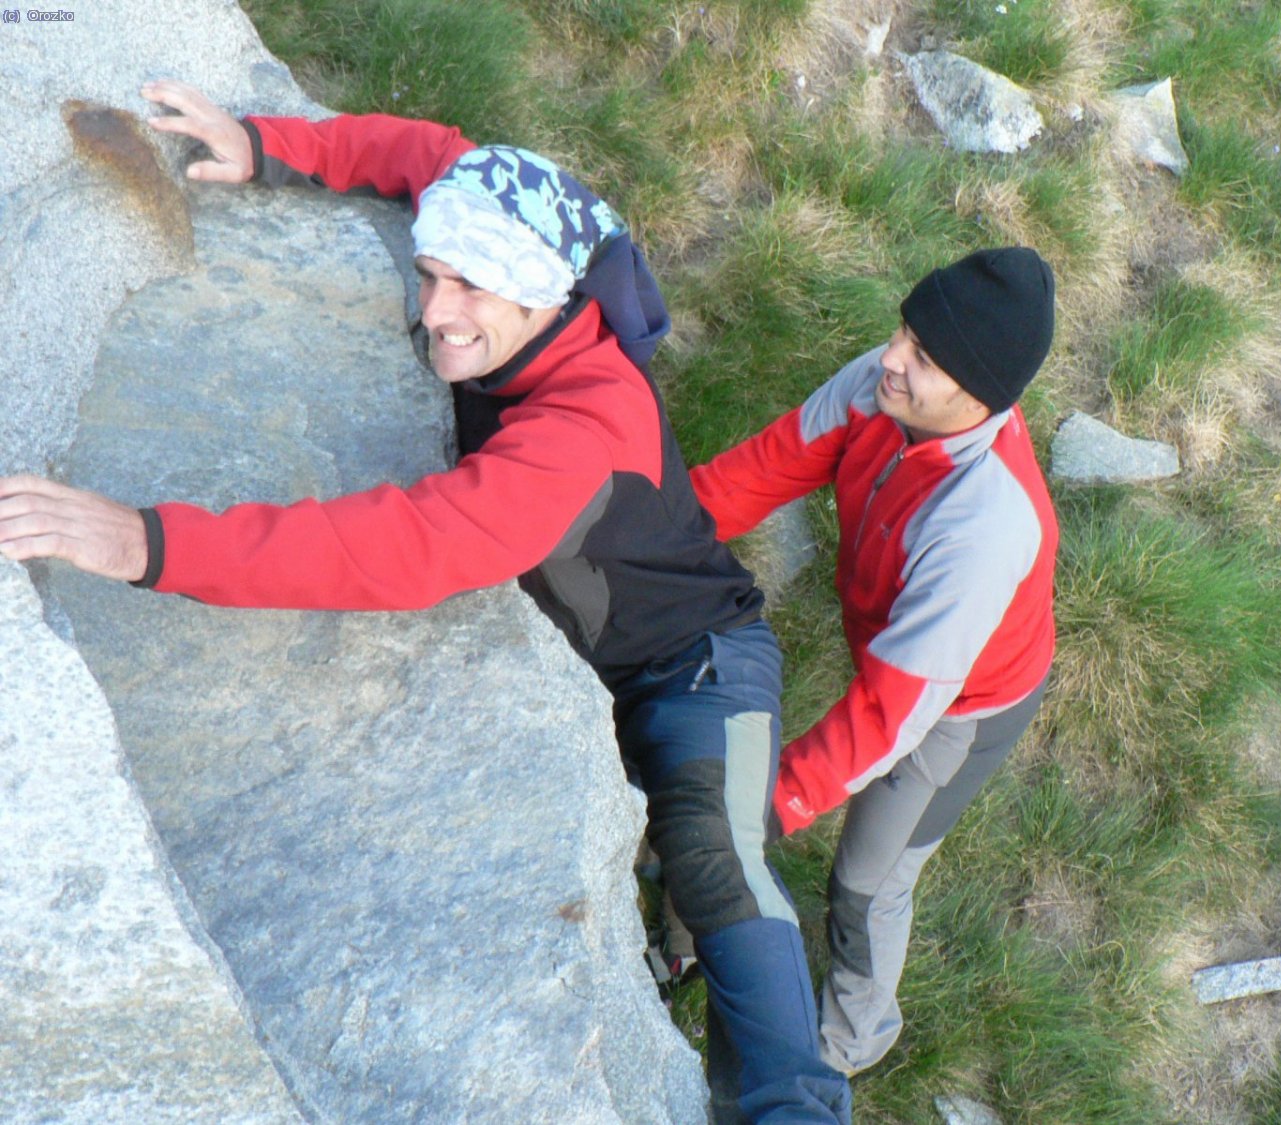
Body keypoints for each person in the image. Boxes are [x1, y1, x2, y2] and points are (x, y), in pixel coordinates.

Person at [0, 80, 850, 1124]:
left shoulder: (587, 426)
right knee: (683, 857)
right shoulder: (517, 227)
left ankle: (797, 1104)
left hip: (694, 664)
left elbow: (408, 547)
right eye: (431, 274)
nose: (437, 310)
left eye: (471, 290)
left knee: (716, 859)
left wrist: (145, 542)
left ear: (544, 295)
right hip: (603, 649)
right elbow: (424, 151)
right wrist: (265, 142)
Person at [689, 248, 1058, 1076]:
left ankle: (850, 1043)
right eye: (904, 329)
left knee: (867, 881)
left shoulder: (984, 528)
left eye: (923, 357)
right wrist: (656, 537)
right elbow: (767, 466)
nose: (890, 355)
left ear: (981, 397)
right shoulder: (880, 388)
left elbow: (891, 714)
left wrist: (776, 798)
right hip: (901, 651)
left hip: (964, 707)